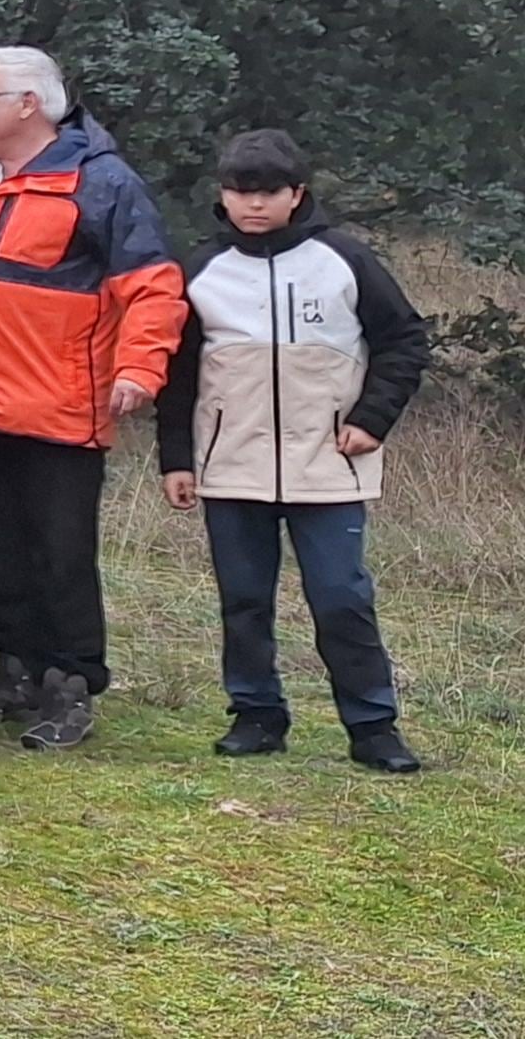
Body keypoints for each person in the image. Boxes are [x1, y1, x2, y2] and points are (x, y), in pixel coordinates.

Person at [0, 45, 185, 750]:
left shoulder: (99, 181)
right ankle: (15, 668)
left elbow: (151, 283)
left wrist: (141, 368)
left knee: (61, 552)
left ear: (27, 103)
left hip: (59, 408)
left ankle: (71, 683)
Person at [159, 129, 431, 773]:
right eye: (239, 192)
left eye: (268, 193)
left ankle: (372, 726)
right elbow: (176, 370)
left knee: (342, 596)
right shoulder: (200, 268)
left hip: (329, 461)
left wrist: (372, 420)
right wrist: (177, 458)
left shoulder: (345, 260)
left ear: (297, 194)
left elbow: (406, 341)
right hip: (230, 464)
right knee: (244, 598)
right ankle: (256, 715)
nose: (253, 205)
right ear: (222, 196)